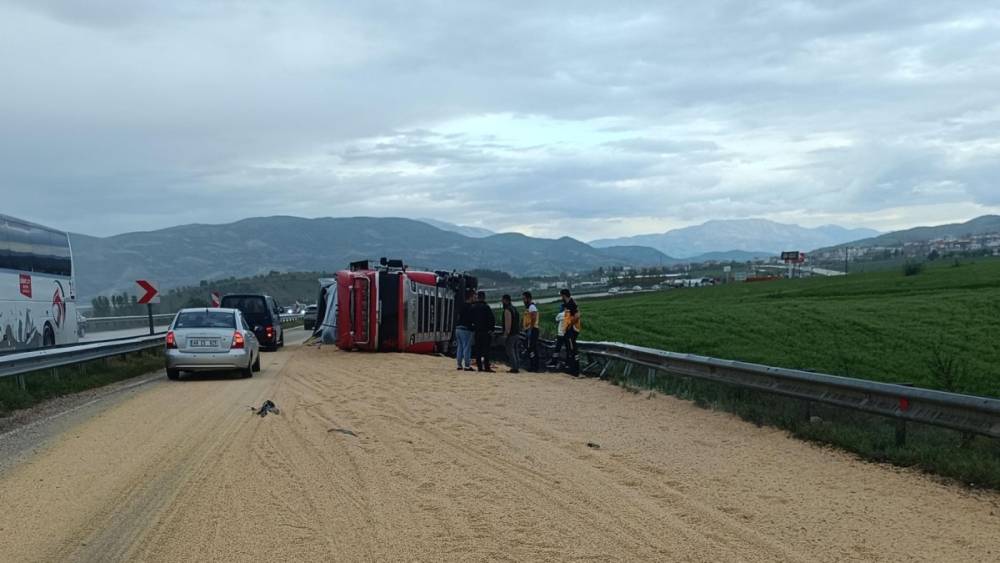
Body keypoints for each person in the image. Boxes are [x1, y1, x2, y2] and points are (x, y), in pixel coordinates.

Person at [471, 291, 496, 372]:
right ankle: (486, 367)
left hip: (477, 332)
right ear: (484, 297)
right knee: (486, 350)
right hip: (485, 332)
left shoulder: (473, 307)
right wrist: (491, 330)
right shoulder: (486, 307)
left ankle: (479, 367)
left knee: (478, 349)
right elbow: (492, 320)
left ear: (478, 297)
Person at [560, 289, 582, 376]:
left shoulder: (572, 303)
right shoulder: (566, 304)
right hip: (568, 329)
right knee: (569, 348)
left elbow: (578, 315)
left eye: (561, 296)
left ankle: (575, 370)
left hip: (572, 329)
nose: (561, 297)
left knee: (572, 348)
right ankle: (570, 367)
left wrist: (570, 324)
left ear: (564, 295)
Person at [454, 291, 475, 371]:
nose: (475, 298)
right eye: (474, 296)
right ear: (470, 297)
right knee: (467, 347)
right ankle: (467, 365)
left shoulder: (461, 306)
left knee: (460, 347)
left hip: (458, 328)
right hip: (466, 329)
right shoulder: (471, 307)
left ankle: (459, 364)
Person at [500, 294, 521, 373]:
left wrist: (506, 334)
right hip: (517, 333)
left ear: (506, 300)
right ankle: (517, 366)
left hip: (511, 334)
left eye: (502, 300)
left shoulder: (507, 310)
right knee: (516, 350)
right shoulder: (515, 309)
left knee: (510, 351)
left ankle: (514, 368)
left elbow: (508, 324)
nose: (501, 302)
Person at [521, 291, 540, 371]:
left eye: (524, 299)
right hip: (529, 329)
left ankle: (534, 366)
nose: (523, 300)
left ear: (528, 298)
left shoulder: (532, 307)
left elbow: (534, 318)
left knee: (532, 348)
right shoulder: (528, 308)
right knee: (530, 348)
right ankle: (533, 365)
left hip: (533, 330)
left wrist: (530, 329)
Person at [546, 303, 566, 369]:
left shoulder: (560, 314)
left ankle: (554, 361)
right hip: (567, 334)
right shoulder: (569, 314)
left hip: (560, 334)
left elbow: (556, 319)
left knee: (557, 348)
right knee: (568, 349)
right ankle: (567, 362)